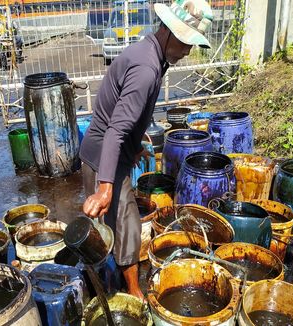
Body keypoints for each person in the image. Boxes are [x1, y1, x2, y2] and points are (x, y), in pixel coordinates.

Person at [80, 0, 213, 299]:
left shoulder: (153, 53)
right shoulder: (146, 68)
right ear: (167, 30)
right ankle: (126, 291)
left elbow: (128, 113)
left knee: (115, 224)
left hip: (114, 151)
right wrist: (105, 186)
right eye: (185, 41)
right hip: (104, 156)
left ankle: (109, 281)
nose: (188, 51)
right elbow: (115, 129)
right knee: (122, 223)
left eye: (192, 43)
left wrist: (135, 144)